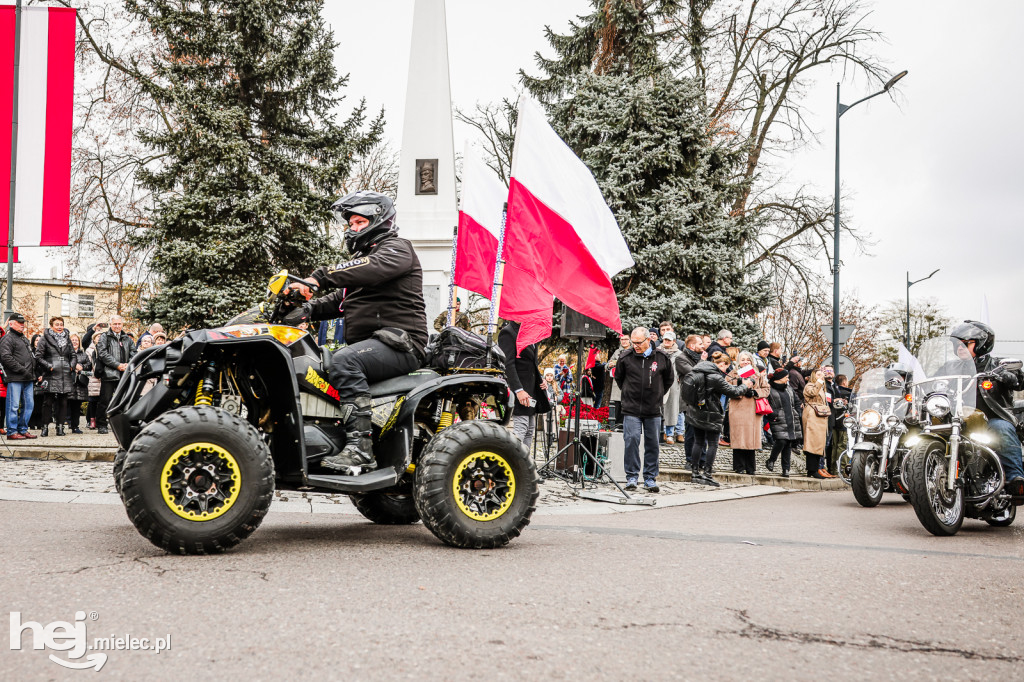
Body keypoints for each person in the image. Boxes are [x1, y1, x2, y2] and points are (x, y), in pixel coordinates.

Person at [286, 191, 429, 473]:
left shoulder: (397, 250)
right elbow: (339, 300)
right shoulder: (365, 263)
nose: (353, 229)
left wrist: (319, 276)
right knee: (317, 361)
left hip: (402, 344)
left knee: (343, 360)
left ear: (379, 220)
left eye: (360, 222)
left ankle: (361, 449)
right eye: (350, 224)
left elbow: (368, 269)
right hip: (373, 345)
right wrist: (305, 309)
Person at [948, 321, 1024, 496]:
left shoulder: (996, 364)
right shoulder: (949, 367)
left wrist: (1007, 376)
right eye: (957, 344)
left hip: (992, 419)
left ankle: (1015, 479)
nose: (960, 347)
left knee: (1002, 429)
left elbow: (1019, 381)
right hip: (956, 421)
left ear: (982, 343)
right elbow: (932, 383)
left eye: (966, 343)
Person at [614, 326, 675, 492]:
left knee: (653, 444)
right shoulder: (625, 357)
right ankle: (632, 476)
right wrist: (629, 393)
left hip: (653, 408)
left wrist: (657, 393)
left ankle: (650, 478)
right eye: (633, 342)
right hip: (631, 408)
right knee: (632, 440)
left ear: (649, 340)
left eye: (639, 342)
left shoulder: (661, 357)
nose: (635, 345)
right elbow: (619, 378)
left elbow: (669, 379)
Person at [685, 351, 754, 487]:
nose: (725, 370)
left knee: (698, 442)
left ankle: (695, 473)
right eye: (725, 367)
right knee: (713, 443)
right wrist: (746, 385)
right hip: (711, 414)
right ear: (721, 364)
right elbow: (733, 391)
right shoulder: (715, 377)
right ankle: (707, 473)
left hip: (695, 412)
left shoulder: (698, 370)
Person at [497, 321, 548, 450]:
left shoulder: (530, 330)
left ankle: (524, 464)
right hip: (519, 389)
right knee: (521, 428)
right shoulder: (508, 332)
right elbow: (508, 364)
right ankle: (516, 463)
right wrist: (518, 390)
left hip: (531, 389)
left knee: (530, 429)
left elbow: (531, 363)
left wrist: (540, 379)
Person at [728, 351, 770, 475]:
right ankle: (739, 466)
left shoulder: (758, 374)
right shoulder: (733, 374)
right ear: (738, 361)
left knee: (750, 438)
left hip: (752, 409)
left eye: (748, 359)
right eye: (743, 359)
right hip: (737, 408)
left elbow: (766, 389)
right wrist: (740, 387)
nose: (745, 362)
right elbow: (727, 387)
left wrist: (755, 393)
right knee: (739, 437)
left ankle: (751, 467)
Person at [93, 315, 136, 435]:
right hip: (109, 374)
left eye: (119, 324)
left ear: (122, 325)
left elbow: (134, 352)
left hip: (124, 374)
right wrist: (117, 365)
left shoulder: (127, 338)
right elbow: (103, 354)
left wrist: (128, 364)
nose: (117, 326)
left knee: (124, 400)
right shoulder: (104, 337)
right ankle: (102, 424)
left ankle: (121, 424)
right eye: (115, 324)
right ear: (111, 325)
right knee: (105, 400)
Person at [0, 313, 39, 439]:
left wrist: (33, 373)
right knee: (13, 405)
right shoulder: (7, 338)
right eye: (19, 322)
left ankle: (22, 429)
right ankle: (12, 431)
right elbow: (6, 358)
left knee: (29, 405)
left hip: (28, 377)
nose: (22, 325)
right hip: (15, 377)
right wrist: (22, 370)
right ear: (11, 323)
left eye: (23, 322)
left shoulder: (23, 338)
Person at [36, 316, 76, 437]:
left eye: (61, 324)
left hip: (65, 373)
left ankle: (60, 428)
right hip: (51, 373)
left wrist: (71, 366)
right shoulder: (44, 339)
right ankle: (45, 427)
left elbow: (73, 355)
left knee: (63, 402)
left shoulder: (67, 339)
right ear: (52, 326)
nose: (59, 327)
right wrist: (49, 366)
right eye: (57, 324)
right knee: (47, 402)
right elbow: (38, 356)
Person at [765, 368, 802, 477]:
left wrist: (797, 412)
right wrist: (772, 414)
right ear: (780, 378)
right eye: (786, 376)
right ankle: (771, 460)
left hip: (791, 418)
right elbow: (765, 403)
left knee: (788, 443)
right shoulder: (770, 389)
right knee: (781, 441)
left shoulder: (789, 388)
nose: (788, 378)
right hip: (778, 419)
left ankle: (786, 469)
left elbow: (796, 401)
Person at [677, 334, 703, 470]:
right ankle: (690, 460)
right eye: (700, 344)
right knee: (691, 432)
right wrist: (702, 362)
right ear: (692, 346)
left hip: (702, 399)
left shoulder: (700, 357)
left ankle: (702, 460)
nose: (703, 347)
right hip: (688, 400)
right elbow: (694, 374)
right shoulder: (681, 358)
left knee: (702, 431)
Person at [802, 368, 832, 479]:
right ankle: (811, 470)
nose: (821, 376)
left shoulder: (822, 388)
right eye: (818, 374)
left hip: (820, 418)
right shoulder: (810, 386)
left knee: (818, 443)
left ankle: (814, 469)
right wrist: (819, 382)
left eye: (822, 374)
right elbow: (812, 393)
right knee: (812, 443)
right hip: (812, 417)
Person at [659, 331, 684, 444]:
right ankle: (661, 431)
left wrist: (680, 378)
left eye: (669, 340)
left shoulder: (679, 354)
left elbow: (683, 369)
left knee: (672, 408)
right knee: (661, 407)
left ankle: (670, 433)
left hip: (674, 383)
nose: (666, 342)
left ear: (674, 341)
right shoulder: (658, 351)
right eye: (665, 340)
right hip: (659, 382)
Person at [67, 334, 91, 434]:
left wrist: (81, 366)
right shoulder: (66, 354)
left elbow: (89, 365)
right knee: (66, 405)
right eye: (72, 340)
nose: (75, 342)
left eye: (76, 340)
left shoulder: (84, 354)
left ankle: (75, 426)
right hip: (69, 382)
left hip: (80, 384)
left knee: (76, 406)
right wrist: (73, 366)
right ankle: (64, 423)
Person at [606, 333, 630, 430]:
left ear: (630, 341)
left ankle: (625, 426)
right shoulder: (617, 352)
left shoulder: (633, 351)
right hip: (617, 384)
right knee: (616, 406)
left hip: (629, 382)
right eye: (622, 339)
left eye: (626, 339)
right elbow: (607, 365)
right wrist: (609, 365)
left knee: (627, 405)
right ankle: (615, 426)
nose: (623, 341)